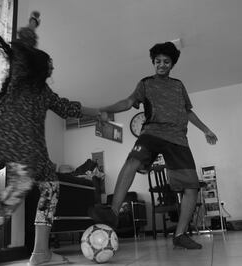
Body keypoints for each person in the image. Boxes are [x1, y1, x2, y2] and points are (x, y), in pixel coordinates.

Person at [0, 4, 101, 266]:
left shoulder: (44, 93)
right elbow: (23, 43)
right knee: (17, 189)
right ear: (35, 65)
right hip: (17, 144)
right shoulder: (20, 75)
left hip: (35, 152)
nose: (51, 68)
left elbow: (69, 108)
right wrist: (32, 25)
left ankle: (40, 253)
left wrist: (100, 113)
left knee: (50, 186)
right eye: (48, 64)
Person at [89, 42, 218, 249]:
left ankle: (180, 234)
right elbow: (128, 102)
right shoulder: (146, 83)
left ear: (172, 64)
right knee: (133, 160)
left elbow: (188, 111)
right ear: (153, 63)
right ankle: (112, 212)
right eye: (158, 61)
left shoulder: (178, 85)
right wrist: (103, 109)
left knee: (192, 187)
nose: (161, 65)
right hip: (152, 133)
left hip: (178, 138)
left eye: (166, 62)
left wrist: (206, 130)